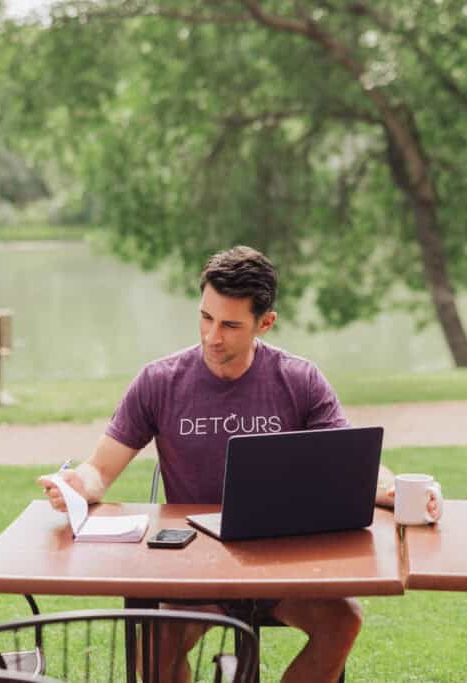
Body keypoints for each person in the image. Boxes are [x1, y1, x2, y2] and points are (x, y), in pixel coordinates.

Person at [39, 245, 397, 683]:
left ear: (265, 323)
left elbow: (354, 464)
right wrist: (78, 484)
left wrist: (396, 488)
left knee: (344, 620)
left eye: (230, 324)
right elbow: (100, 470)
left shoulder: (299, 380)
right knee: (156, 648)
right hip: (192, 572)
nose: (212, 336)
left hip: (279, 568)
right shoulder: (160, 381)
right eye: (206, 318)